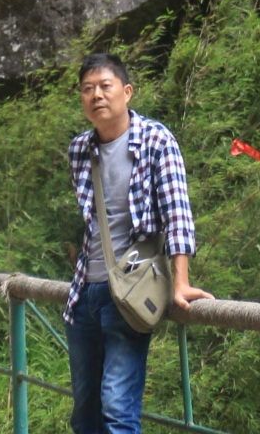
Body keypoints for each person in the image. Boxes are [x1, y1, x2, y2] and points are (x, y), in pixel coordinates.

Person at [65, 53, 212, 434]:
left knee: (116, 407)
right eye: (87, 89)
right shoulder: (80, 150)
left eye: (105, 86)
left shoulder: (156, 140)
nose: (96, 95)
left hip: (129, 292)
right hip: (84, 293)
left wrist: (180, 282)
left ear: (126, 92)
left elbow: (178, 213)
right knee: (84, 413)